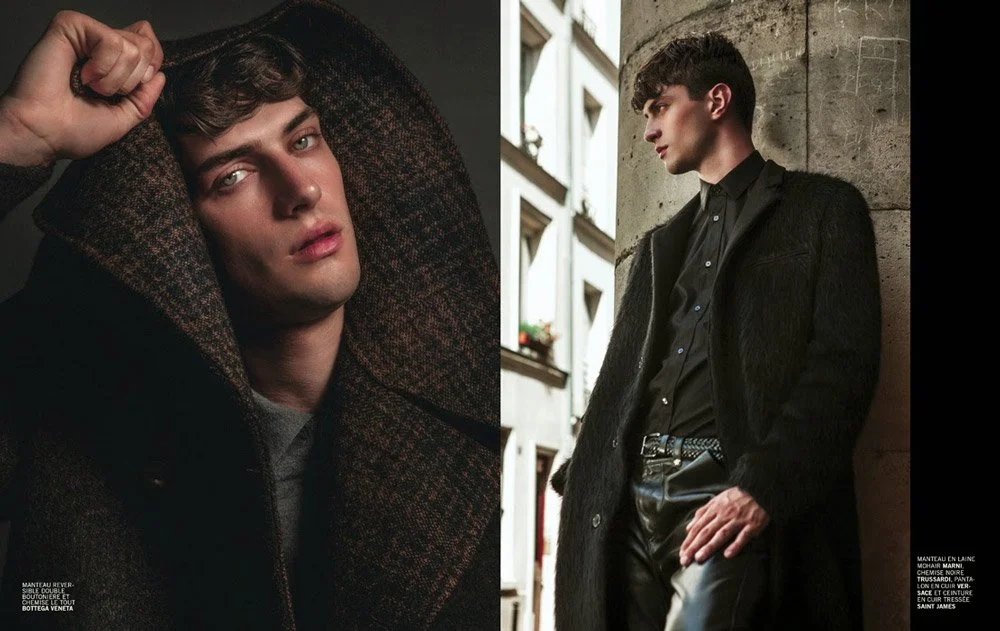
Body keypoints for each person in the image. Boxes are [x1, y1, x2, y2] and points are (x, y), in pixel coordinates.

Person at [0, 1, 498, 628]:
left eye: (304, 140)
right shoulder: (66, 388)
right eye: (233, 175)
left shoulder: (469, 417)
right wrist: (17, 138)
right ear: (173, 231)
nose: (301, 190)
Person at [550, 32, 881, 630]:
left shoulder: (826, 211)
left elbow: (844, 367)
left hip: (724, 496)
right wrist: (589, 476)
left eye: (660, 108)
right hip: (631, 501)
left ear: (718, 100)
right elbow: (621, 385)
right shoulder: (658, 247)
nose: (649, 131)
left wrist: (762, 488)